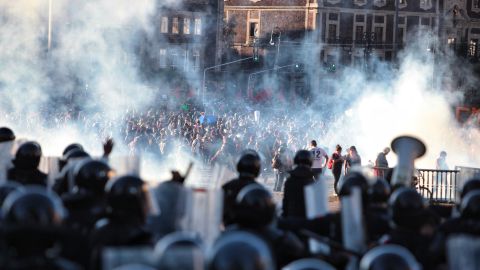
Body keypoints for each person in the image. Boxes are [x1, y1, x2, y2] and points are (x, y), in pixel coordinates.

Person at [282, 150, 315, 218]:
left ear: (296, 160)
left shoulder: (290, 180)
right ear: (310, 162)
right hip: (309, 220)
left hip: (292, 218)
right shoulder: (313, 181)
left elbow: (285, 203)